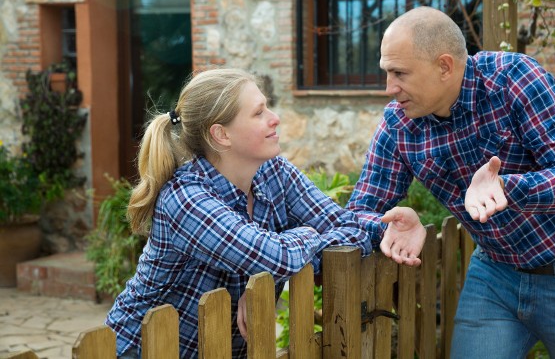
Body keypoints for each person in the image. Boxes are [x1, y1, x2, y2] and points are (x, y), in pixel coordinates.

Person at [347, 6, 555, 358]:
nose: (390, 88)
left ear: (445, 66)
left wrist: (509, 189)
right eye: (387, 73)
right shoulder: (399, 125)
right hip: (495, 276)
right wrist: (387, 227)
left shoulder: (513, 79)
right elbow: (357, 211)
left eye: (399, 73)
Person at [105, 68, 426, 359]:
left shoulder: (273, 172)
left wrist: (384, 227)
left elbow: (347, 229)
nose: (275, 118)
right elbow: (276, 256)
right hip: (140, 349)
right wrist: (297, 245)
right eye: (259, 113)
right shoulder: (185, 199)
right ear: (222, 135)